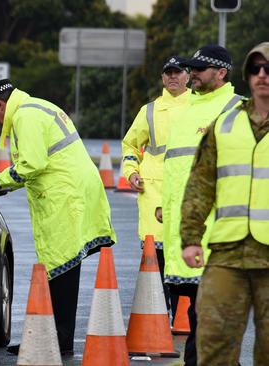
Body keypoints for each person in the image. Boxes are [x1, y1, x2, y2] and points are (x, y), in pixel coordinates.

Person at [0, 79, 117, 356]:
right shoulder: (37, 107)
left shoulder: (26, 116)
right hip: (68, 191)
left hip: (63, 195)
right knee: (61, 265)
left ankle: (58, 341)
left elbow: (32, 164)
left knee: (61, 264)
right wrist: (5, 183)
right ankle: (52, 336)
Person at [181, 42, 269, 366]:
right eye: (255, 68)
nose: (262, 75)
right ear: (247, 75)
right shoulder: (226, 124)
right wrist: (190, 238)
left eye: (268, 69)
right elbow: (200, 185)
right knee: (214, 341)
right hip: (227, 253)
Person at [161, 44, 242, 366]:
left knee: (210, 321)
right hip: (186, 231)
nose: (191, 74)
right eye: (190, 68)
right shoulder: (187, 110)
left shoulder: (236, 109)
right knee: (201, 320)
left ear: (221, 73)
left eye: (199, 69)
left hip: (220, 235)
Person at [121, 56, 191, 316]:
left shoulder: (198, 108)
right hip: (154, 192)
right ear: (162, 78)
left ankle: (183, 317)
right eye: (168, 73)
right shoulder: (149, 111)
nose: (172, 77)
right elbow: (130, 145)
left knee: (184, 256)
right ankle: (159, 319)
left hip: (188, 190)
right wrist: (131, 172)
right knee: (157, 259)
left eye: (178, 72)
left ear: (188, 76)